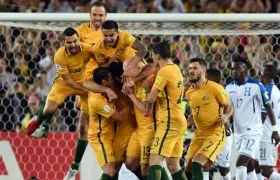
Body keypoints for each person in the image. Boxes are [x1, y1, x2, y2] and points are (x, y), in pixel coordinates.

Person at [25, 27, 94, 178]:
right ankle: (43, 123)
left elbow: (101, 60)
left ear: (78, 39)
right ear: (64, 42)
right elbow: (68, 80)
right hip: (64, 84)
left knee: (83, 127)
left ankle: (74, 168)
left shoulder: (88, 49)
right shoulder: (59, 56)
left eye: (75, 41)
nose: (74, 45)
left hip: (84, 84)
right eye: (69, 42)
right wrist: (84, 89)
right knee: (50, 107)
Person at [225, 56, 280, 180]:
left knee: (241, 163)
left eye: (237, 68)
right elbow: (228, 108)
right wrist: (227, 124)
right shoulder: (229, 88)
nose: (233, 71)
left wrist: (275, 129)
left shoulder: (256, 86)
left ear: (245, 70)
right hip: (238, 132)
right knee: (251, 165)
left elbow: (267, 107)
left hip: (255, 132)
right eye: (232, 68)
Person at [144, 41, 187, 180]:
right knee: (173, 165)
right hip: (179, 120)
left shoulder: (164, 71)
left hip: (169, 122)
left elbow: (151, 99)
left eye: (152, 55)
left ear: (157, 56)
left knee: (154, 161)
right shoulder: (175, 68)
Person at [185, 58, 232, 180]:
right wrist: (183, 125)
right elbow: (193, 115)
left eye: (195, 68)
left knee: (197, 163)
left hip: (214, 133)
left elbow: (229, 106)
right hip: (199, 134)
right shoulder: (189, 93)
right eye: (190, 68)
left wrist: (225, 116)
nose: (191, 71)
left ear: (203, 71)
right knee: (188, 168)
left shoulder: (215, 88)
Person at [87, 67, 130, 180]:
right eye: (111, 79)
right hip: (100, 137)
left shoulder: (107, 91)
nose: (113, 80)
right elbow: (120, 117)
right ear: (104, 82)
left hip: (110, 134)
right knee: (110, 170)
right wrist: (132, 104)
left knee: (116, 168)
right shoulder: (97, 101)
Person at [205, 68, 232, 180]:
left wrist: (226, 124)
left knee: (224, 169)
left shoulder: (220, 92)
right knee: (205, 165)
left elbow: (228, 108)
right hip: (208, 134)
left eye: (205, 76)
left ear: (210, 79)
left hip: (222, 134)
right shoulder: (202, 93)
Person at [254, 64, 280, 180]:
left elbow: (263, 115)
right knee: (255, 165)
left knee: (266, 171)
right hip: (269, 131)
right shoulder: (275, 89)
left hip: (266, 134)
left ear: (263, 74)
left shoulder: (268, 91)